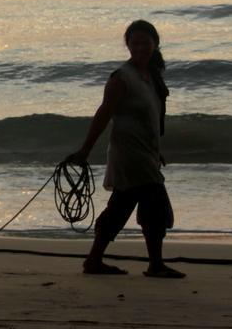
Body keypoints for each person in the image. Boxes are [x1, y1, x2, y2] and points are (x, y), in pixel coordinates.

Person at [68, 20, 184, 279]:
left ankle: (95, 260)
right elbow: (103, 114)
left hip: (145, 154)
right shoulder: (121, 78)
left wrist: (156, 151)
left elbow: (151, 120)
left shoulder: (151, 76)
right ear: (128, 46)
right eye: (136, 43)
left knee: (123, 206)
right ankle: (154, 265)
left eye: (146, 42)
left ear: (155, 44)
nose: (141, 47)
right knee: (152, 207)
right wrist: (85, 150)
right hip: (129, 156)